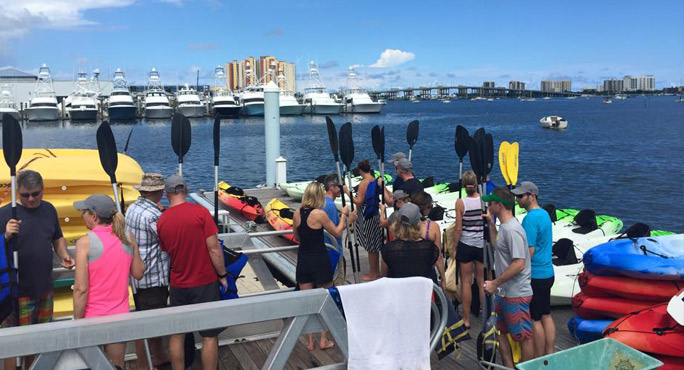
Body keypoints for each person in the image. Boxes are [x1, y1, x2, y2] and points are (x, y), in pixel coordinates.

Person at [0, 170, 74, 370]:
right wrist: (6, 235)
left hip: (44, 288)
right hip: (16, 290)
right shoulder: (6, 213)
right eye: (25, 195)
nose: (31, 199)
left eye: (36, 194)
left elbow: (57, 237)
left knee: (40, 341)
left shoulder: (49, 209)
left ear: (43, 190)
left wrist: (64, 254)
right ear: (18, 192)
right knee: (15, 344)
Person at [157, 174, 227, 370]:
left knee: (178, 334)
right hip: (204, 281)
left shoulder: (162, 221)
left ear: (166, 194)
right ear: (185, 190)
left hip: (178, 283)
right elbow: (214, 249)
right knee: (209, 335)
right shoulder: (201, 213)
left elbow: (167, 252)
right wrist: (222, 275)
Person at [72, 194, 146, 368]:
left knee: (92, 365)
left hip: (92, 318)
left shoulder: (85, 243)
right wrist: (134, 246)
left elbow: (81, 289)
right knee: (116, 365)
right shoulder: (126, 238)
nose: (82, 215)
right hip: (119, 316)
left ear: (94, 216)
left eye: (84, 211)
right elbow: (138, 273)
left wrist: (77, 321)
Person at [293, 182, 355, 351]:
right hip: (319, 259)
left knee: (307, 301)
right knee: (328, 298)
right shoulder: (319, 214)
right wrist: (344, 215)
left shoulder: (297, 213)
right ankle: (323, 339)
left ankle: (310, 341)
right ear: (318, 196)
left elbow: (297, 236)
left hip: (303, 260)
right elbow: (336, 231)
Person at [482, 187, 534, 367]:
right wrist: (490, 223)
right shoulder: (503, 227)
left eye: (491, 202)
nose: (488, 205)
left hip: (516, 293)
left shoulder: (512, 229)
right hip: (504, 292)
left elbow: (519, 263)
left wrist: (495, 283)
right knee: (500, 331)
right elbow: (499, 247)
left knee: (523, 337)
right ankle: (508, 366)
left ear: (499, 205)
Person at [126, 173, 171, 369]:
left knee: (145, 320)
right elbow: (167, 240)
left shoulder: (132, 209)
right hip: (153, 276)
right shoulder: (153, 215)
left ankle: (157, 356)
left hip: (137, 276)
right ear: (160, 192)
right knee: (152, 324)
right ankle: (148, 362)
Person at [512, 181, 555, 357]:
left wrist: (516, 271)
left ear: (532, 196)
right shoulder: (545, 214)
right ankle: (550, 353)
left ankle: (539, 357)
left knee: (534, 319)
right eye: (517, 196)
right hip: (548, 273)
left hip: (535, 275)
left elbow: (528, 251)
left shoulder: (530, 219)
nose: (517, 199)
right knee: (546, 315)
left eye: (521, 196)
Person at [380, 202, 443, 290]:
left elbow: (384, 277)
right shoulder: (429, 248)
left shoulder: (388, 250)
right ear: (418, 223)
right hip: (425, 293)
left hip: (399, 293)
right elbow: (436, 262)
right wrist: (443, 279)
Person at [451, 170, 485, 329]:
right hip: (481, 245)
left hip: (466, 244)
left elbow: (458, 228)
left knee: (466, 282)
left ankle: (466, 319)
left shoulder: (460, 202)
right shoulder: (484, 201)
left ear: (464, 186)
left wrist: (454, 247)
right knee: (481, 281)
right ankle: (484, 312)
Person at [345, 160, 383, 281]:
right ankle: (375, 271)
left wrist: (347, 192)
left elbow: (359, 201)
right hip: (375, 212)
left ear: (360, 170)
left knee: (371, 245)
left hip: (367, 213)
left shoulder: (364, 183)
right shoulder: (374, 179)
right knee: (374, 243)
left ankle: (373, 273)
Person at [322, 174, 344, 274]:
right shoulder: (330, 206)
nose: (341, 189)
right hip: (332, 252)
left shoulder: (323, 201)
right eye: (339, 186)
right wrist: (347, 217)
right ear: (331, 187)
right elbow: (335, 232)